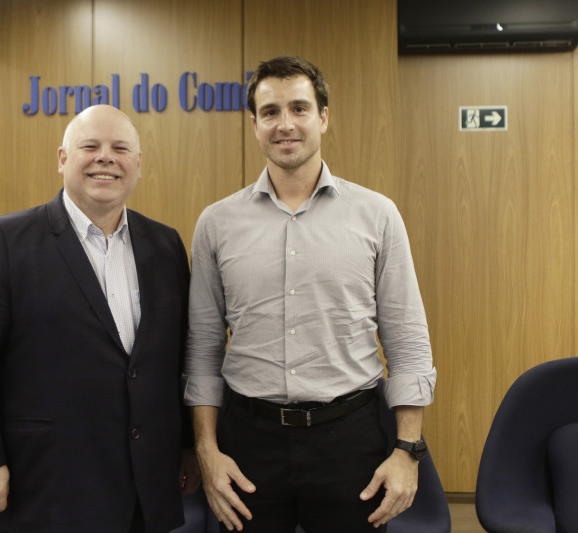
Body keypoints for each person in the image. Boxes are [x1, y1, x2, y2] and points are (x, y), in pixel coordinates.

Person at [183, 56, 437, 532]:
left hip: (351, 440)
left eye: (299, 108)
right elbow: (201, 349)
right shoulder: (216, 224)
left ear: (323, 116)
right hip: (249, 443)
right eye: (271, 112)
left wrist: (407, 450)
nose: (285, 124)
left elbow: (407, 341)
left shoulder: (378, 215)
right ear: (254, 124)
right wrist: (207, 451)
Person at [0, 104, 200, 533]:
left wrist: (187, 446)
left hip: (144, 486)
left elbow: (178, 359)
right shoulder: (4, 241)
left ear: (137, 165)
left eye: (120, 148)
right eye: (90, 146)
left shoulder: (165, 244)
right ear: (63, 158)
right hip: (46, 485)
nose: (105, 157)